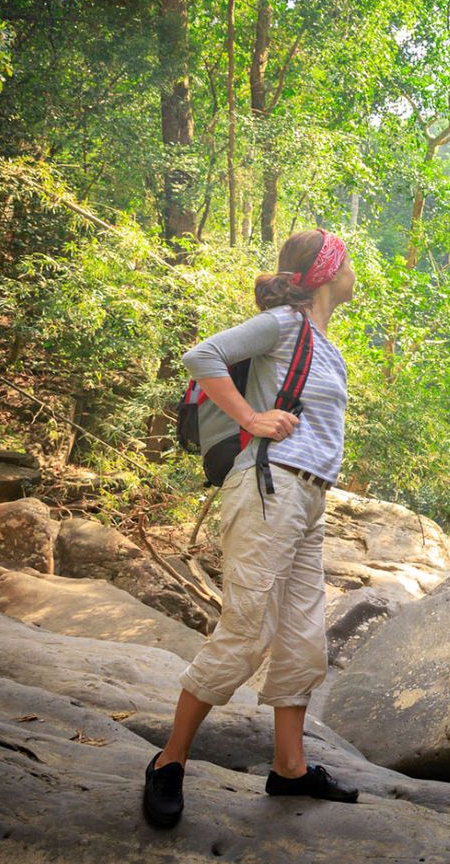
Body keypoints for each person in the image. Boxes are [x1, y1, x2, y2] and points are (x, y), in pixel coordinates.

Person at [143, 228, 360, 828]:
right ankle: (168, 762)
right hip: (270, 488)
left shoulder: (322, 341)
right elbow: (201, 356)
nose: (352, 272)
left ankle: (289, 770)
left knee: (303, 637)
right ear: (324, 275)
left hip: (307, 498)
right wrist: (251, 419)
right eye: (345, 263)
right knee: (247, 631)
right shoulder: (285, 324)